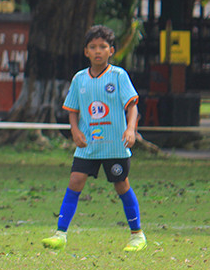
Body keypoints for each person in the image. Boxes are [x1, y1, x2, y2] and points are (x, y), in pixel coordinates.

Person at [41, 24, 146, 252]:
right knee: (75, 182)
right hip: (89, 145)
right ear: (86, 51)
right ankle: (60, 234)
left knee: (121, 185)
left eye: (103, 47)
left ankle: (137, 234)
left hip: (114, 146)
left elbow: (132, 106)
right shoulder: (80, 79)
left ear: (111, 51)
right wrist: (75, 131)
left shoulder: (118, 76)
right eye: (93, 47)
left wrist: (130, 129)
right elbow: (72, 108)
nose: (98, 51)